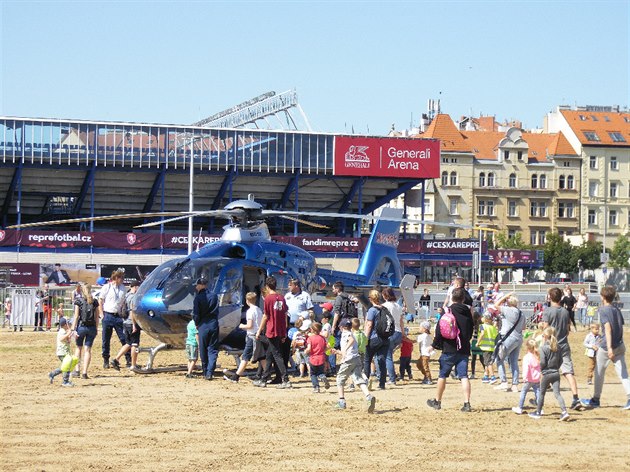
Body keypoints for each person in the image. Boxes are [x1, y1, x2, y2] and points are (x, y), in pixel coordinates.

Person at [581, 286, 630, 410]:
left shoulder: (603, 310)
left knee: (599, 372)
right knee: (623, 373)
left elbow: (607, 328)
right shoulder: (616, 309)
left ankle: (596, 399)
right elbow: (620, 327)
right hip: (619, 344)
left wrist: (609, 348)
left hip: (606, 347)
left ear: (602, 297)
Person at [427, 287, 474, 412]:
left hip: (449, 347)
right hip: (463, 348)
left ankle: (437, 401)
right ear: (463, 299)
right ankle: (467, 403)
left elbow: (439, 330)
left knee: (443, 375)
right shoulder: (468, 312)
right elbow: (470, 330)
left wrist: (434, 345)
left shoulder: (447, 310)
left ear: (452, 298)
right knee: (464, 376)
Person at [542, 287, 582, 410]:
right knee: (568, 372)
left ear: (550, 297)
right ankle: (576, 398)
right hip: (563, 344)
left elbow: (545, 330)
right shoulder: (565, 311)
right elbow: (567, 329)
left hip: (551, 345)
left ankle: (539, 399)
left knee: (544, 370)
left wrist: (543, 345)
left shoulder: (548, 311)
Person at [254, 276, 292, 389]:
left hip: (272, 329)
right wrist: (284, 330)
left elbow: (266, 316)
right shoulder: (281, 297)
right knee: (270, 354)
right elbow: (285, 314)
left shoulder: (268, 299)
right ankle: (264, 378)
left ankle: (285, 379)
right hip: (280, 329)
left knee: (276, 354)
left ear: (267, 285)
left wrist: (259, 330)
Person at [332, 318, 376, 413]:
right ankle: (369, 396)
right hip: (356, 358)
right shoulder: (351, 333)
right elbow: (349, 349)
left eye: (340, 326)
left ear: (343, 327)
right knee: (358, 378)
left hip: (349, 360)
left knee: (340, 378)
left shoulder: (346, 333)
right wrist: (338, 352)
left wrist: (344, 350)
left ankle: (341, 401)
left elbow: (350, 341)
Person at [529, 327, 570, 421]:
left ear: (545, 336)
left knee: (542, 393)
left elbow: (543, 362)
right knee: (557, 394)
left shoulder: (543, 348)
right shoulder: (558, 347)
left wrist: (541, 369)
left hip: (546, 374)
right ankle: (564, 411)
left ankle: (538, 412)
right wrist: (556, 368)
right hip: (556, 373)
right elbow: (561, 360)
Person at [224, 292, 264, 383]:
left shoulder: (250, 311)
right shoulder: (258, 309)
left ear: (247, 301)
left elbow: (249, 325)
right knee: (261, 356)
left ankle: (236, 376)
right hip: (258, 335)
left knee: (246, 356)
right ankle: (266, 373)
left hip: (251, 336)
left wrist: (241, 326)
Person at [491, 293, 525, 391]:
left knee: (499, 359)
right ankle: (515, 384)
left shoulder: (507, 310)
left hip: (507, 337)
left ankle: (504, 382)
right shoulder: (521, 313)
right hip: (518, 338)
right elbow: (523, 327)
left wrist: (505, 296)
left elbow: (496, 305)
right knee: (513, 361)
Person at [99, 270, 130, 369]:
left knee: (124, 338)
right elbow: (101, 300)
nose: (123, 280)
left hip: (118, 316)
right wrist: (101, 314)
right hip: (108, 315)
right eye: (121, 278)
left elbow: (125, 302)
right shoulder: (106, 287)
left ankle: (128, 359)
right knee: (106, 339)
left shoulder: (123, 288)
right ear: (116, 278)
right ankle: (105, 359)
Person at [110, 280, 141, 371]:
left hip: (126, 322)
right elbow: (132, 312)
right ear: (135, 287)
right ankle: (133, 365)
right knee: (135, 344)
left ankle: (116, 359)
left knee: (128, 343)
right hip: (132, 323)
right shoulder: (133, 297)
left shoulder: (126, 295)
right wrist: (135, 325)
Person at [193, 277, 219, 380]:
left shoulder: (198, 298)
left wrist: (196, 323)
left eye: (197, 285)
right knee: (213, 349)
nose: (196, 287)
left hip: (203, 324)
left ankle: (205, 371)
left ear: (200, 285)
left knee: (203, 349)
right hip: (213, 323)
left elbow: (196, 314)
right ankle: (210, 372)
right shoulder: (214, 296)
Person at [71, 283, 99, 379]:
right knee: (88, 350)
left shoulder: (79, 301)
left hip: (81, 327)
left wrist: (72, 329)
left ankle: (77, 370)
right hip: (91, 328)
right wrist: (96, 328)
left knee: (78, 348)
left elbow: (76, 316)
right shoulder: (94, 302)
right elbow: (96, 317)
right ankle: (84, 372)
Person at [363, 289, 388, 390]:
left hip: (374, 337)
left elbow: (369, 325)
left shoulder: (372, 310)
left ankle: (365, 381)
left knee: (367, 360)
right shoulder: (385, 309)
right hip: (385, 338)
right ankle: (382, 384)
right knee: (382, 360)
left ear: (370, 299)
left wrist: (366, 338)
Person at [512, 339, 541, 415]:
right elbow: (539, 367)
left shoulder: (527, 357)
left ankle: (520, 408)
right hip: (536, 379)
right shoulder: (537, 357)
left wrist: (524, 377)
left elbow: (526, 368)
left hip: (528, 379)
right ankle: (539, 408)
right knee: (538, 393)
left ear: (527, 347)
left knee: (523, 392)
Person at [382, 287, 404, 385]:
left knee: (388, 357)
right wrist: (403, 334)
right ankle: (392, 377)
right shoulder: (398, 306)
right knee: (390, 354)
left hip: (389, 332)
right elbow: (401, 321)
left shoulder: (384, 306)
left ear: (384, 296)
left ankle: (392, 378)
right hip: (398, 332)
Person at [48, 317, 74, 387]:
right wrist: (68, 334)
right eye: (69, 323)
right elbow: (61, 338)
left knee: (64, 366)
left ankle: (52, 374)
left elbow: (67, 341)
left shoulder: (65, 331)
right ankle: (65, 381)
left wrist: (70, 336)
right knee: (67, 366)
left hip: (65, 352)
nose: (70, 324)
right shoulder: (62, 331)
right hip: (62, 352)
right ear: (65, 325)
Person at [304, 322, 329, 393]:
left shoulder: (310, 338)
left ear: (312, 330)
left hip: (313, 358)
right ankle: (322, 377)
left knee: (313, 374)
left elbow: (309, 349)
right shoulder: (322, 338)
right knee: (321, 372)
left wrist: (306, 351)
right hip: (321, 357)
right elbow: (326, 348)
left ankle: (316, 387)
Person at [477, 313, 498, 383]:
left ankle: (492, 376)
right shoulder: (493, 327)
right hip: (491, 347)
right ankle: (486, 376)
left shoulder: (482, 326)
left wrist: (478, 342)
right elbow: (495, 336)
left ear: (485, 319)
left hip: (485, 347)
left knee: (488, 363)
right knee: (486, 362)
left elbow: (482, 334)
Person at [469, 312, 485, 380]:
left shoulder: (472, 325)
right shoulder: (481, 325)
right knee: (482, 358)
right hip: (480, 341)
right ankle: (486, 371)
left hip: (474, 341)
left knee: (473, 359)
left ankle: (473, 373)